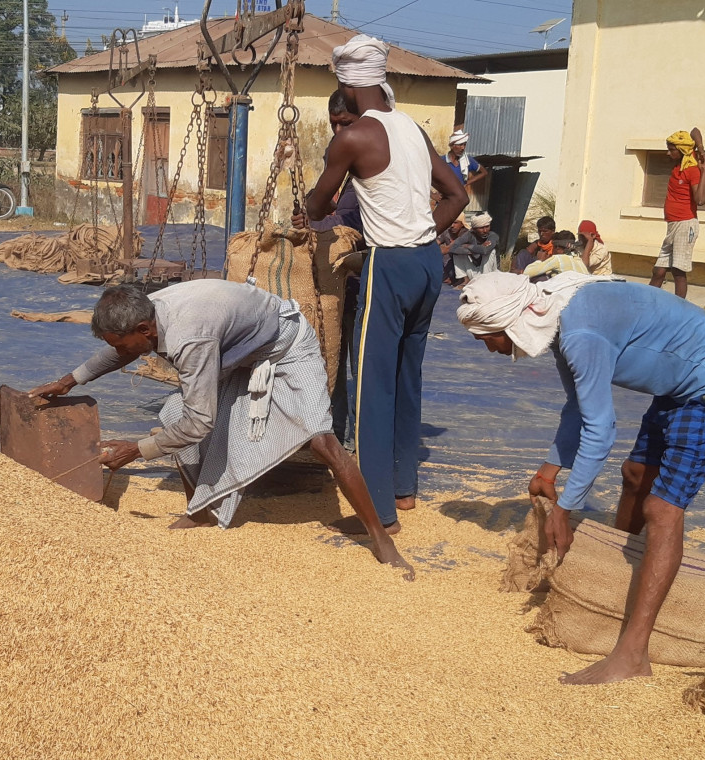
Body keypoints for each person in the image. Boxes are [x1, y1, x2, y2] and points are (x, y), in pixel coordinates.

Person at [457, 271, 705, 684]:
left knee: (662, 509)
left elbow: (601, 429)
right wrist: (549, 469)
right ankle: (618, 580)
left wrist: (567, 506)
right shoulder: (559, 317)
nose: (488, 348)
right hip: (677, 384)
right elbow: (578, 408)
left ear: (510, 321)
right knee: (635, 476)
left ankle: (633, 654)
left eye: (485, 337)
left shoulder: (580, 335)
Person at [29, 281, 414, 578]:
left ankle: (380, 538)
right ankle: (201, 512)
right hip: (238, 352)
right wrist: (70, 380)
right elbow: (123, 350)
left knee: (322, 442)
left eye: (124, 343)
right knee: (170, 413)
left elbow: (200, 423)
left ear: (145, 329)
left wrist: (138, 450)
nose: (123, 351)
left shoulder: (188, 337)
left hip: (286, 346)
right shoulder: (148, 311)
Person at [303, 33, 469, 533]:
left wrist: (317, 205)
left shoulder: (352, 138)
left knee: (369, 387)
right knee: (406, 377)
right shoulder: (412, 129)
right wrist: (422, 234)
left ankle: (377, 512)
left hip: (390, 267)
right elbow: (457, 195)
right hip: (425, 265)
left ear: (345, 84)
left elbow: (316, 206)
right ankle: (403, 488)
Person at [293, 88, 364, 451]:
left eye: (345, 124)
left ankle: (354, 442)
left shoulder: (368, 169)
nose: (339, 132)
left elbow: (347, 222)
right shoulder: (346, 170)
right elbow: (326, 210)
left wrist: (315, 218)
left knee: (361, 369)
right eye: (334, 124)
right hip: (341, 285)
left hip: (363, 280)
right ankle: (332, 435)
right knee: (330, 362)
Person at [648, 128, 705, 299]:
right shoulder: (683, 162)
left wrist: (704, 171)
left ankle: (679, 308)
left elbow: (700, 199)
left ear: (682, 151)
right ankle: (646, 303)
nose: (668, 153)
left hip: (685, 224)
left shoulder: (693, 169)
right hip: (673, 225)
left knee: (678, 271)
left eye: (671, 150)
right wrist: (702, 149)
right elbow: (695, 130)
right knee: (659, 270)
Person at [449, 212, 499, 282]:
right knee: (457, 254)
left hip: (490, 273)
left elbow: (484, 250)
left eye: (487, 227)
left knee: (491, 251)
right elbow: (452, 248)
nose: (485, 230)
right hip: (475, 270)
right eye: (481, 228)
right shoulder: (469, 235)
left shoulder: (493, 236)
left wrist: (468, 246)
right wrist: (473, 250)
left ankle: (486, 281)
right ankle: (465, 280)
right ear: (474, 229)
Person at [522, 230, 587, 281]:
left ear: (557, 248)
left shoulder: (558, 259)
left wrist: (540, 260)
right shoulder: (578, 260)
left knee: (540, 278)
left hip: (567, 295)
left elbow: (527, 273)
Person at [443, 129, 488, 194]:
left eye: (464, 145)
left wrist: (467, 183)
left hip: (460, 197)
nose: (463, 148)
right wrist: (432, 195)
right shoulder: (442, 160)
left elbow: (484, 172)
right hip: (445, 197)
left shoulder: (467, 161)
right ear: (452, 146)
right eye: (460, 145)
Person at [436, 213, 466, 286]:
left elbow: (446, 249)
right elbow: (436, 243)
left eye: (455, 223)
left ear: (462, 224)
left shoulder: (467, 234)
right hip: (448, 267)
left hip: (463, 267)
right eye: (451, 222)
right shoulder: (446, 232)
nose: (452, 225)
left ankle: (463, 280)